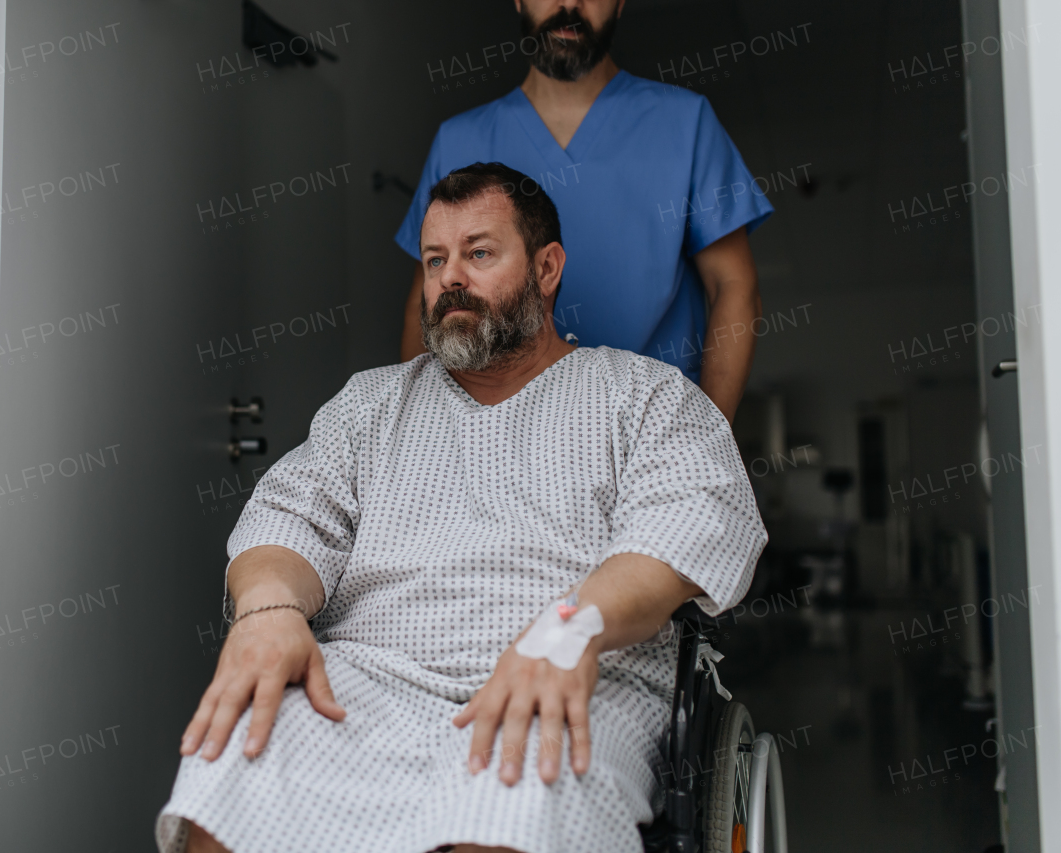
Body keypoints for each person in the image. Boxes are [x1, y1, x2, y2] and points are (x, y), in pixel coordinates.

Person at [158, 164, 766, 853]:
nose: (451, 278)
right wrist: (266, 611)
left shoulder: (645, 397)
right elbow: (290, 516)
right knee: (236, 764)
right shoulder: (370, 405)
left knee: (508, 804)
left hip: (569, 678)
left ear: (546, 268)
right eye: (435, 259)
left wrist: (565, 631)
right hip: (368, 682)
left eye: (478, 253)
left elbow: (686, 526)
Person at [396, 0, 773, 423]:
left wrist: (702, 437)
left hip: (648, 427)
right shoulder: (458, 140)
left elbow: (733, 286)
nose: (569, 4)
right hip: (492, 433)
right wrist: (423, 435)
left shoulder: (685, 123)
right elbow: (425, 303)